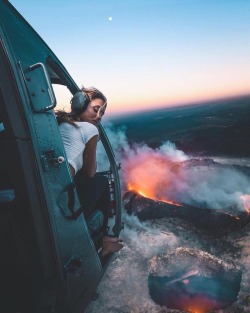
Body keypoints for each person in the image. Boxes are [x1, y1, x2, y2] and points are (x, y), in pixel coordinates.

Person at [56, 87, 123, 257]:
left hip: (53, 193)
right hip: (63, 203)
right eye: (95, 109)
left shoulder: (61, 124)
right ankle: (104, 241)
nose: (99, 115)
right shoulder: (91, 130)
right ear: (80, 104)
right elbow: (90, 172)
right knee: (100, 181)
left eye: (102, 112)